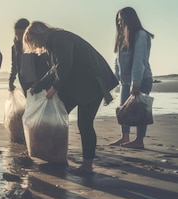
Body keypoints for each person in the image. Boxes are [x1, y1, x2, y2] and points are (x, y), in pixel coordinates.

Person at [23, 21, 118, 175]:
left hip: (93, 83)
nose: (34, 45)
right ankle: (55, 154)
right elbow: (56, 69)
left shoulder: (60, 38)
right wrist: (38, 85)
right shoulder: (52, 43)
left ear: (38, 34)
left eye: (32, 41)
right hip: (79, 83)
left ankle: (88, 163)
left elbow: (65, 65)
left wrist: (55, 88)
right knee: (56, 117)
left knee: (85, 123)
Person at [108, 7, 155, 149]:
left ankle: (139, 140)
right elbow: (118, 63)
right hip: (126, 81)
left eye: (122, 20)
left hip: (141, 79)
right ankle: (125, 136)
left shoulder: (140, 35)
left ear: (130, 19)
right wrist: (114, 81)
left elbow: (139, 61)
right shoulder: (124, 37)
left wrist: (136, 83)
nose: (120, 23)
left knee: (140, 109)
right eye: (118, 21)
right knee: (124, 109)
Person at [8, 18, 50, 95]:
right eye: (16, 34)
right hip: (25, 82)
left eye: (21, 34)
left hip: (39, 81)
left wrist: (37, 84)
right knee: (30, 105)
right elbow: (14, 66)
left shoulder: (37, 46)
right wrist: (11, 80)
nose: (19, 37)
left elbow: (42, 67)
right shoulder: (15, 48)